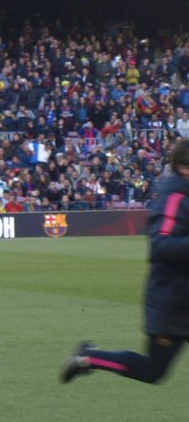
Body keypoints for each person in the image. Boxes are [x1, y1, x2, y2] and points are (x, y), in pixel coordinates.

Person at [62, 138, 189, 385]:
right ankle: (88, 358)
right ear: (185, 168)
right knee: (153, 370)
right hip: (173, 302)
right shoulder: (174, 198)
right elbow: (160, 246)